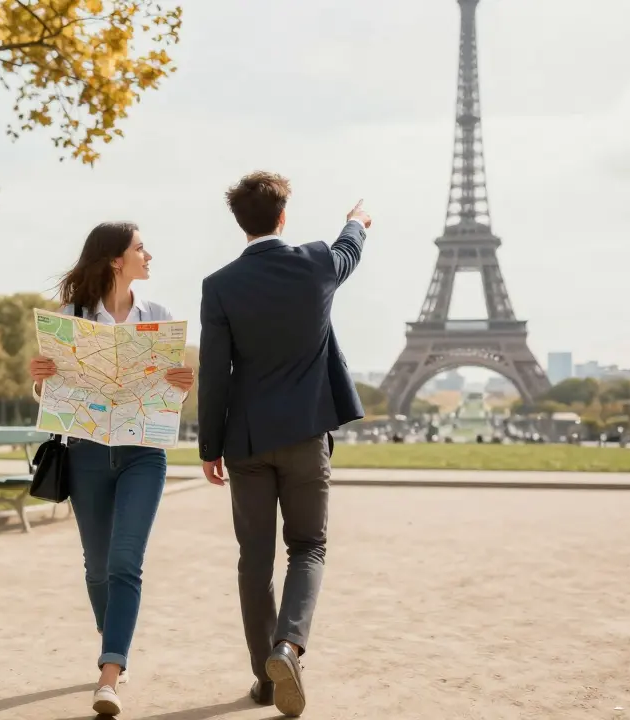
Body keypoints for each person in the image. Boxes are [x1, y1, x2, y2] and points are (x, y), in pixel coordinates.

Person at [197, 171, 370, 717]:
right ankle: (288, 648)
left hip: (246, 441)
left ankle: (265, 678)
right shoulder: (316, 263)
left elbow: (214, 374)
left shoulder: (219, 285)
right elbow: (348, 252)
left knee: (254, 559)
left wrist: (209, 445)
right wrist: (356, 222)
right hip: (305, 435)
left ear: (240, 223)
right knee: (309, 547)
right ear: (283, 216)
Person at [27, 221, 195, 717]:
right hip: (86, 454)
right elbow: (53, 396)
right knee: (97, 567)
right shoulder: (71, 318)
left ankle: (110, 672)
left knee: (125, 562)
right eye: (141, 248)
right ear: (116, 259)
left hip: (144, 454)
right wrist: (40, 381)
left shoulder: (159, 318)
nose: (149, 255)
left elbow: (169, 398)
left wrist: (181, 385)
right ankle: (114, 637)